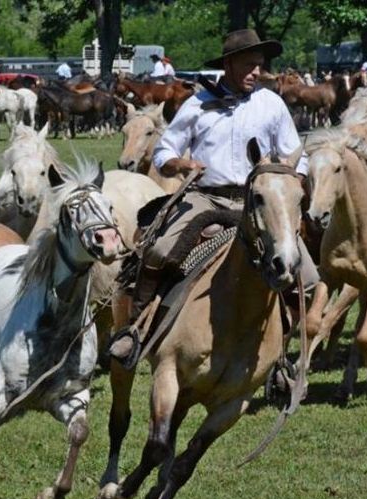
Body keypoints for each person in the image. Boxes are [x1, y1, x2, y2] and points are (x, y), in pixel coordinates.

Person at [109, 28, 317, 367]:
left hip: (259, 203)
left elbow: (298, 156)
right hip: (206, 197)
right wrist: (182, 163)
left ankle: (277, 353)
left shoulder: (272, 104)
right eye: (249, 65)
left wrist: (293, 183)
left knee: (306, 277)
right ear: (230, 64)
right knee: (160, 250)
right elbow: (163, 152)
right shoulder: (197, 105)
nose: (256, 73)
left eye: (260, 66)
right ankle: (133, 330)